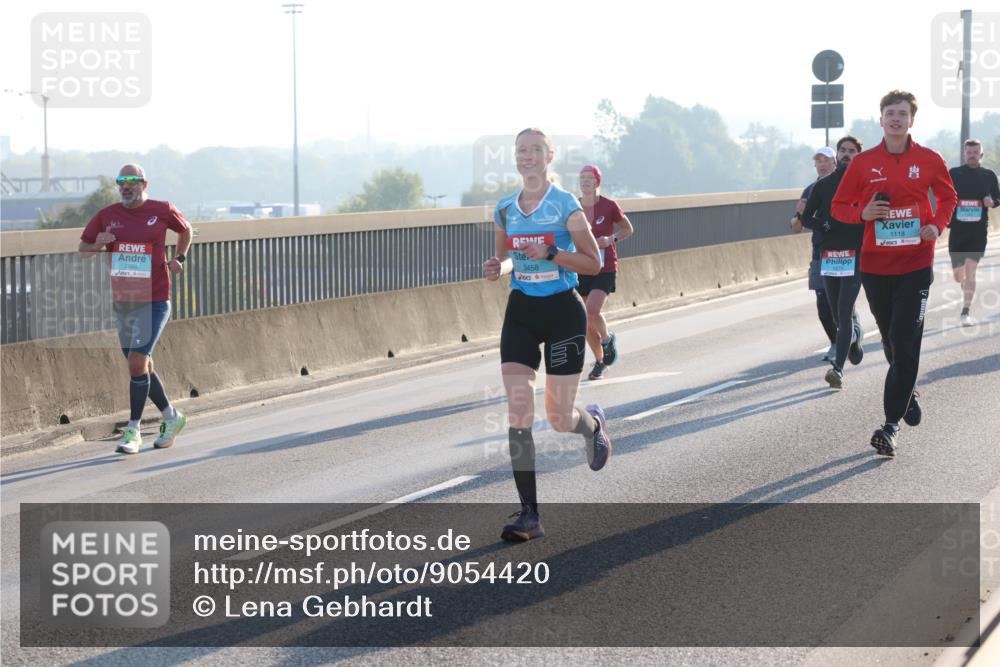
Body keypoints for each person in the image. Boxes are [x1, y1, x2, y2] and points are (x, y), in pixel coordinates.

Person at [483, 129, 611, 542]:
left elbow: (592, 263)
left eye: (536, 150)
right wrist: (497, 267)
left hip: (562, 312)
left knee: (558, 418)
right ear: (515, 158)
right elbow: (506, 258)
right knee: (518, 411)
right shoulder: (505, 209)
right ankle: (530, 516)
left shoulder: (565, 205)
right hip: (521, 311)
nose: (528, 157)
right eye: (522, 151)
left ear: (549, 157)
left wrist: (554, 253)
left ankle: (590, 426)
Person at [831, 90, 957, 456]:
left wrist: (936, 224)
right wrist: (863, 214)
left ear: (912, 120)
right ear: (881, 119)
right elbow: (840, 206)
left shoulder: (929, 159)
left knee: (906, 338)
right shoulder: (863, 162)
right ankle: (907, 389)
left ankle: (890, 426)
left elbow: (947, 197)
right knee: (889, 339)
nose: (896, 119)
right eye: (890, 113)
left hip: (916, 264)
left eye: (903, 114)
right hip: (875, 265)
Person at [79, 164, 193, 454]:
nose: (126, 186)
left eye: (132, 181)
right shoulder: (107, 215)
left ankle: (133, 430)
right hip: (126, 301)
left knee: (136, 360)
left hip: (155, 299)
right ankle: (171, 417)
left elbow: (186, 229)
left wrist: (180, 257)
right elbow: (83, 246)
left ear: (144, 183)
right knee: (141, 364)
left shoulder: (162, 209)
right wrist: (98, 244)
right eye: (121, 181)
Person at [801, 136, 866, 389]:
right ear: (837, 155)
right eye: (843, 150)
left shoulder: (866, 185)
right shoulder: (824, 186)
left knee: (843, 309)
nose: (846, 154)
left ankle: (837, 369)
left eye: (852, 151)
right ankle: (854, 341)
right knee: (838, 315)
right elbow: (807, 218)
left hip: (856, 254)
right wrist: (824, 225)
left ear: (859, 155)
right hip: (830, 256)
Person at [577, 164, 633, 380]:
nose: (585, 182)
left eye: (589, 178)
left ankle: (607, 339)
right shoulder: (575, 206)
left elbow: (628, 228)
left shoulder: (609, 205)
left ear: (597, 181)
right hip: (582, 266)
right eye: (582, 178)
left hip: (605, 267)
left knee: (592, 310)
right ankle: (600, 361)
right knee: (584, 319)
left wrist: (611, 239)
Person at [791, 147, 839, 361]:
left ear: (834, 163)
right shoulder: (810, 190)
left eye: (826, 160)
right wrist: (799, 215)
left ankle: (850, 337)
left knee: (840, 303)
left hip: (844, 251)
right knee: (823, 305)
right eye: (818, 161)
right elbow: (796, 227)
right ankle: (836, 343)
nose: (822, 164)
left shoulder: (843, 185)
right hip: (820, 253)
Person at [948, 139, 999, 326]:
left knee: (970, 271)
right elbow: (943, 195)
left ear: (981, 155)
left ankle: (965, 312)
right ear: (964, 154)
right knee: (958, 276)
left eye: (975, 152)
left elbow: (997, 197)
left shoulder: (988, 175)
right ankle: (963, 282)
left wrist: (992, 202)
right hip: (957, 231)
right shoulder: (954, 174)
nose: (972, 155)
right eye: (969, 152)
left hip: (978, 232)